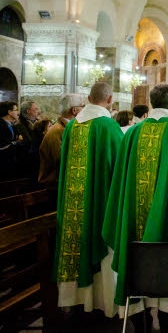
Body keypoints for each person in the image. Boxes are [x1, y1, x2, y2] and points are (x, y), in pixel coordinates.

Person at [103, 83, 168, 332]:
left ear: (150, 103)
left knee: (135, 248)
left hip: (134, 215)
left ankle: (139, 314)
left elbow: (120, 177)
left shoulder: (132, 135)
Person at [53, 82, 122, 319]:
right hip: (101, 204)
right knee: (103, 248)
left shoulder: (72, 126)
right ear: (110, 99)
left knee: (75, 244)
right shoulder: (109, 127)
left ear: (89, 98)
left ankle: (73, 301)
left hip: (74, 206)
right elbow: (119, 171)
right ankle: (103, 303)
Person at [38, 94, 84, 187]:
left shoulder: (65, 128)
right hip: (54, 184)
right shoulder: (58, 131)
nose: (84, 110)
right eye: (83, 106)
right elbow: (61, 159)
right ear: (74, 110)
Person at [0, 101, 24, 181]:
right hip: (3, 164)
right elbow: (2, 146)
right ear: (9, 112)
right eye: (16, 110)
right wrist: (16, 142)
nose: (18, 112)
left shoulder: (11, 124)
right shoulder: (1, 125)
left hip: (11, 162)